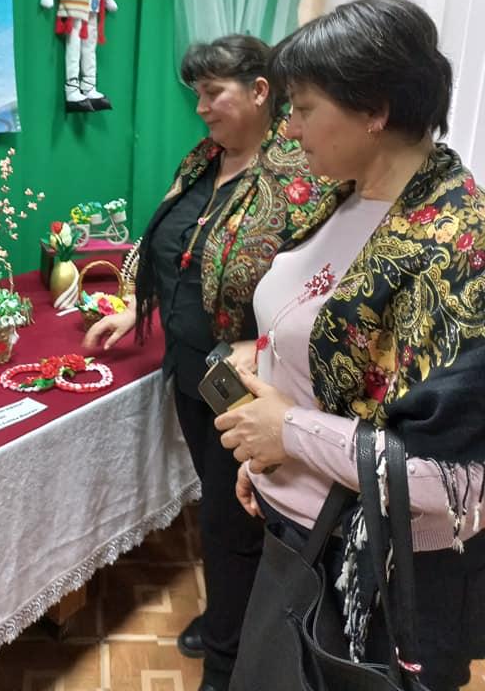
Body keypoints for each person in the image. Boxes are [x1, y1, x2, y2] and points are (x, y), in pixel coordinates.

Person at [216, 0, 485, 691]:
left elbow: (451, 479)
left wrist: (289, 435)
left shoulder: (459, 246)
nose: (289, 127)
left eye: (304, 108)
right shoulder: (346, 196)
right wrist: (269, 452)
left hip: (382, 568)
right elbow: (312, 359)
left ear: (375, 110)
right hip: (301, 528)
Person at [83, 34, 343, 691]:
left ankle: (230, 658)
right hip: (190, 366)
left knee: (235, 519)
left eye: (212, 93)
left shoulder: (302, 176)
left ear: (260, 91)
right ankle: (231, 616)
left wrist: (264, 346)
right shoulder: (204, 159)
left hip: (249, 379)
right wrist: (134, 308)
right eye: (195, 94)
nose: (200, 108)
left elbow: (321, 286)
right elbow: (168, 243)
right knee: (221, 507)